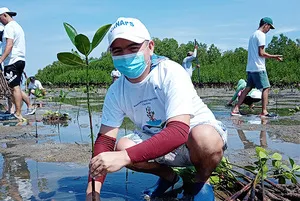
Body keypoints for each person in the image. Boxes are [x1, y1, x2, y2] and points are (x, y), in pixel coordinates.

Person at [86, 17, 227, 201]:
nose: (126, 55)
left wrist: (124, 157)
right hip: (158, 144)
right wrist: (93, 190)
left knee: (206, 138)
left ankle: (201, 181)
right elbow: (105, 141)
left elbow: (178, 131)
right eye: (118, 51)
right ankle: (170, 178)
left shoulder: (170, 72)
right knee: (122, 145)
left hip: (192, 140)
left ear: (150, 47)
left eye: (133, 48)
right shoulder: (116, 91)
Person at [231, 17, 283, 117]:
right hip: (258, 67)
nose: (269, 30)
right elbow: (261, 53)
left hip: (250, 67)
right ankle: (264, 112)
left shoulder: (252, 35)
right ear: (266, 25)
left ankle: (236, 109)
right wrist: (274, 56)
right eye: (269, 27)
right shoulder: (261, 35)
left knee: (247, 88)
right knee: (266, 88)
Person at [0, 7, 33, 121]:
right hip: (20, 59)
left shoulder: (9, 27)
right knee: (14, 86)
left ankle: (18, 113)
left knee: (14, 88)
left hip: (12, 60)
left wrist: (1, 59)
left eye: (0, 19)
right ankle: (18, 111)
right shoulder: (18, 26)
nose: (0, 22)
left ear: (4, 15)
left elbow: (9, 45)